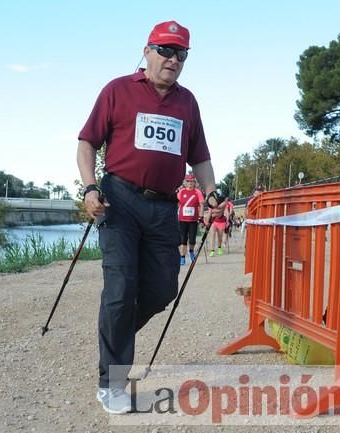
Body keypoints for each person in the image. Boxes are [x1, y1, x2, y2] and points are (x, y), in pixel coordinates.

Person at [76, 20, 221, 414]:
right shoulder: (118, 90)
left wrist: (209, 193)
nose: (173, 60)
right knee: (121, 290)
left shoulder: (187, 102)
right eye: (166, 51)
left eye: (181, 54)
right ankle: (113, 379)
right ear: (147, 51)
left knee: (161, 291)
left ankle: (114, 333)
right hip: (119, 200)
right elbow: (87, 142)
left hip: (163, 208)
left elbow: (201, 157)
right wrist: (90, 187)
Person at [177, 173, 204, 264]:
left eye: (192, 181)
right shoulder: (181, 192)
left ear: (194, 182)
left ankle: (191, 251)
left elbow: (201, 205)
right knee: (183, 240)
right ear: (185, 182)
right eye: (188, 181)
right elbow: (177, 204)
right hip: (182, 220)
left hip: (193, 220)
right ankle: (182, 257)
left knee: (192, 240)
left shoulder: (197, 192)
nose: (190, 183)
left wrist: (201, 217)